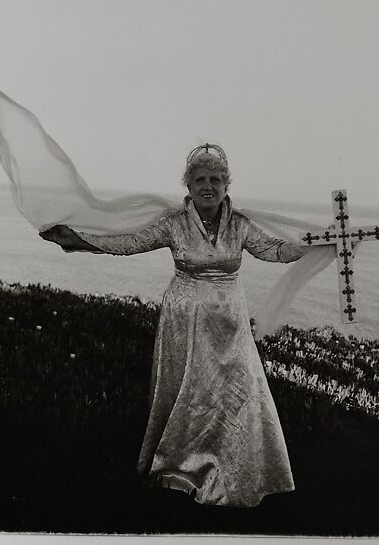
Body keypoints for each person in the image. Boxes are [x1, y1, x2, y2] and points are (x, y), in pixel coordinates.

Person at [39, 144, 310, 508]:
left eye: (216, 179)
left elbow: (274, 250)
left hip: (229, 326)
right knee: (188, 389)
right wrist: (79, 239)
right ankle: (179, 469)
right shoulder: (173, 223)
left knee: (236, 389)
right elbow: (128, 242)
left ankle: (238, 468)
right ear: (189, 186)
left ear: (227, 185)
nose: (208, 186)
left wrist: (316, 245)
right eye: (200, 179)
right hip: (183, 322)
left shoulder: (241, 225)